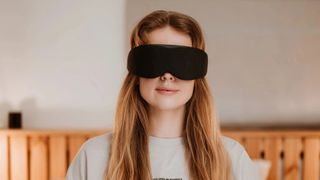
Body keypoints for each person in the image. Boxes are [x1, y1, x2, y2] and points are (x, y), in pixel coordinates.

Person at [66, 10, 259, 180]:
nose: (167, 75)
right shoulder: (94, 156)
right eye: (154, 60)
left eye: (181, 61)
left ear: (197, 74)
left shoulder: (231, 157)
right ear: (137, 73)